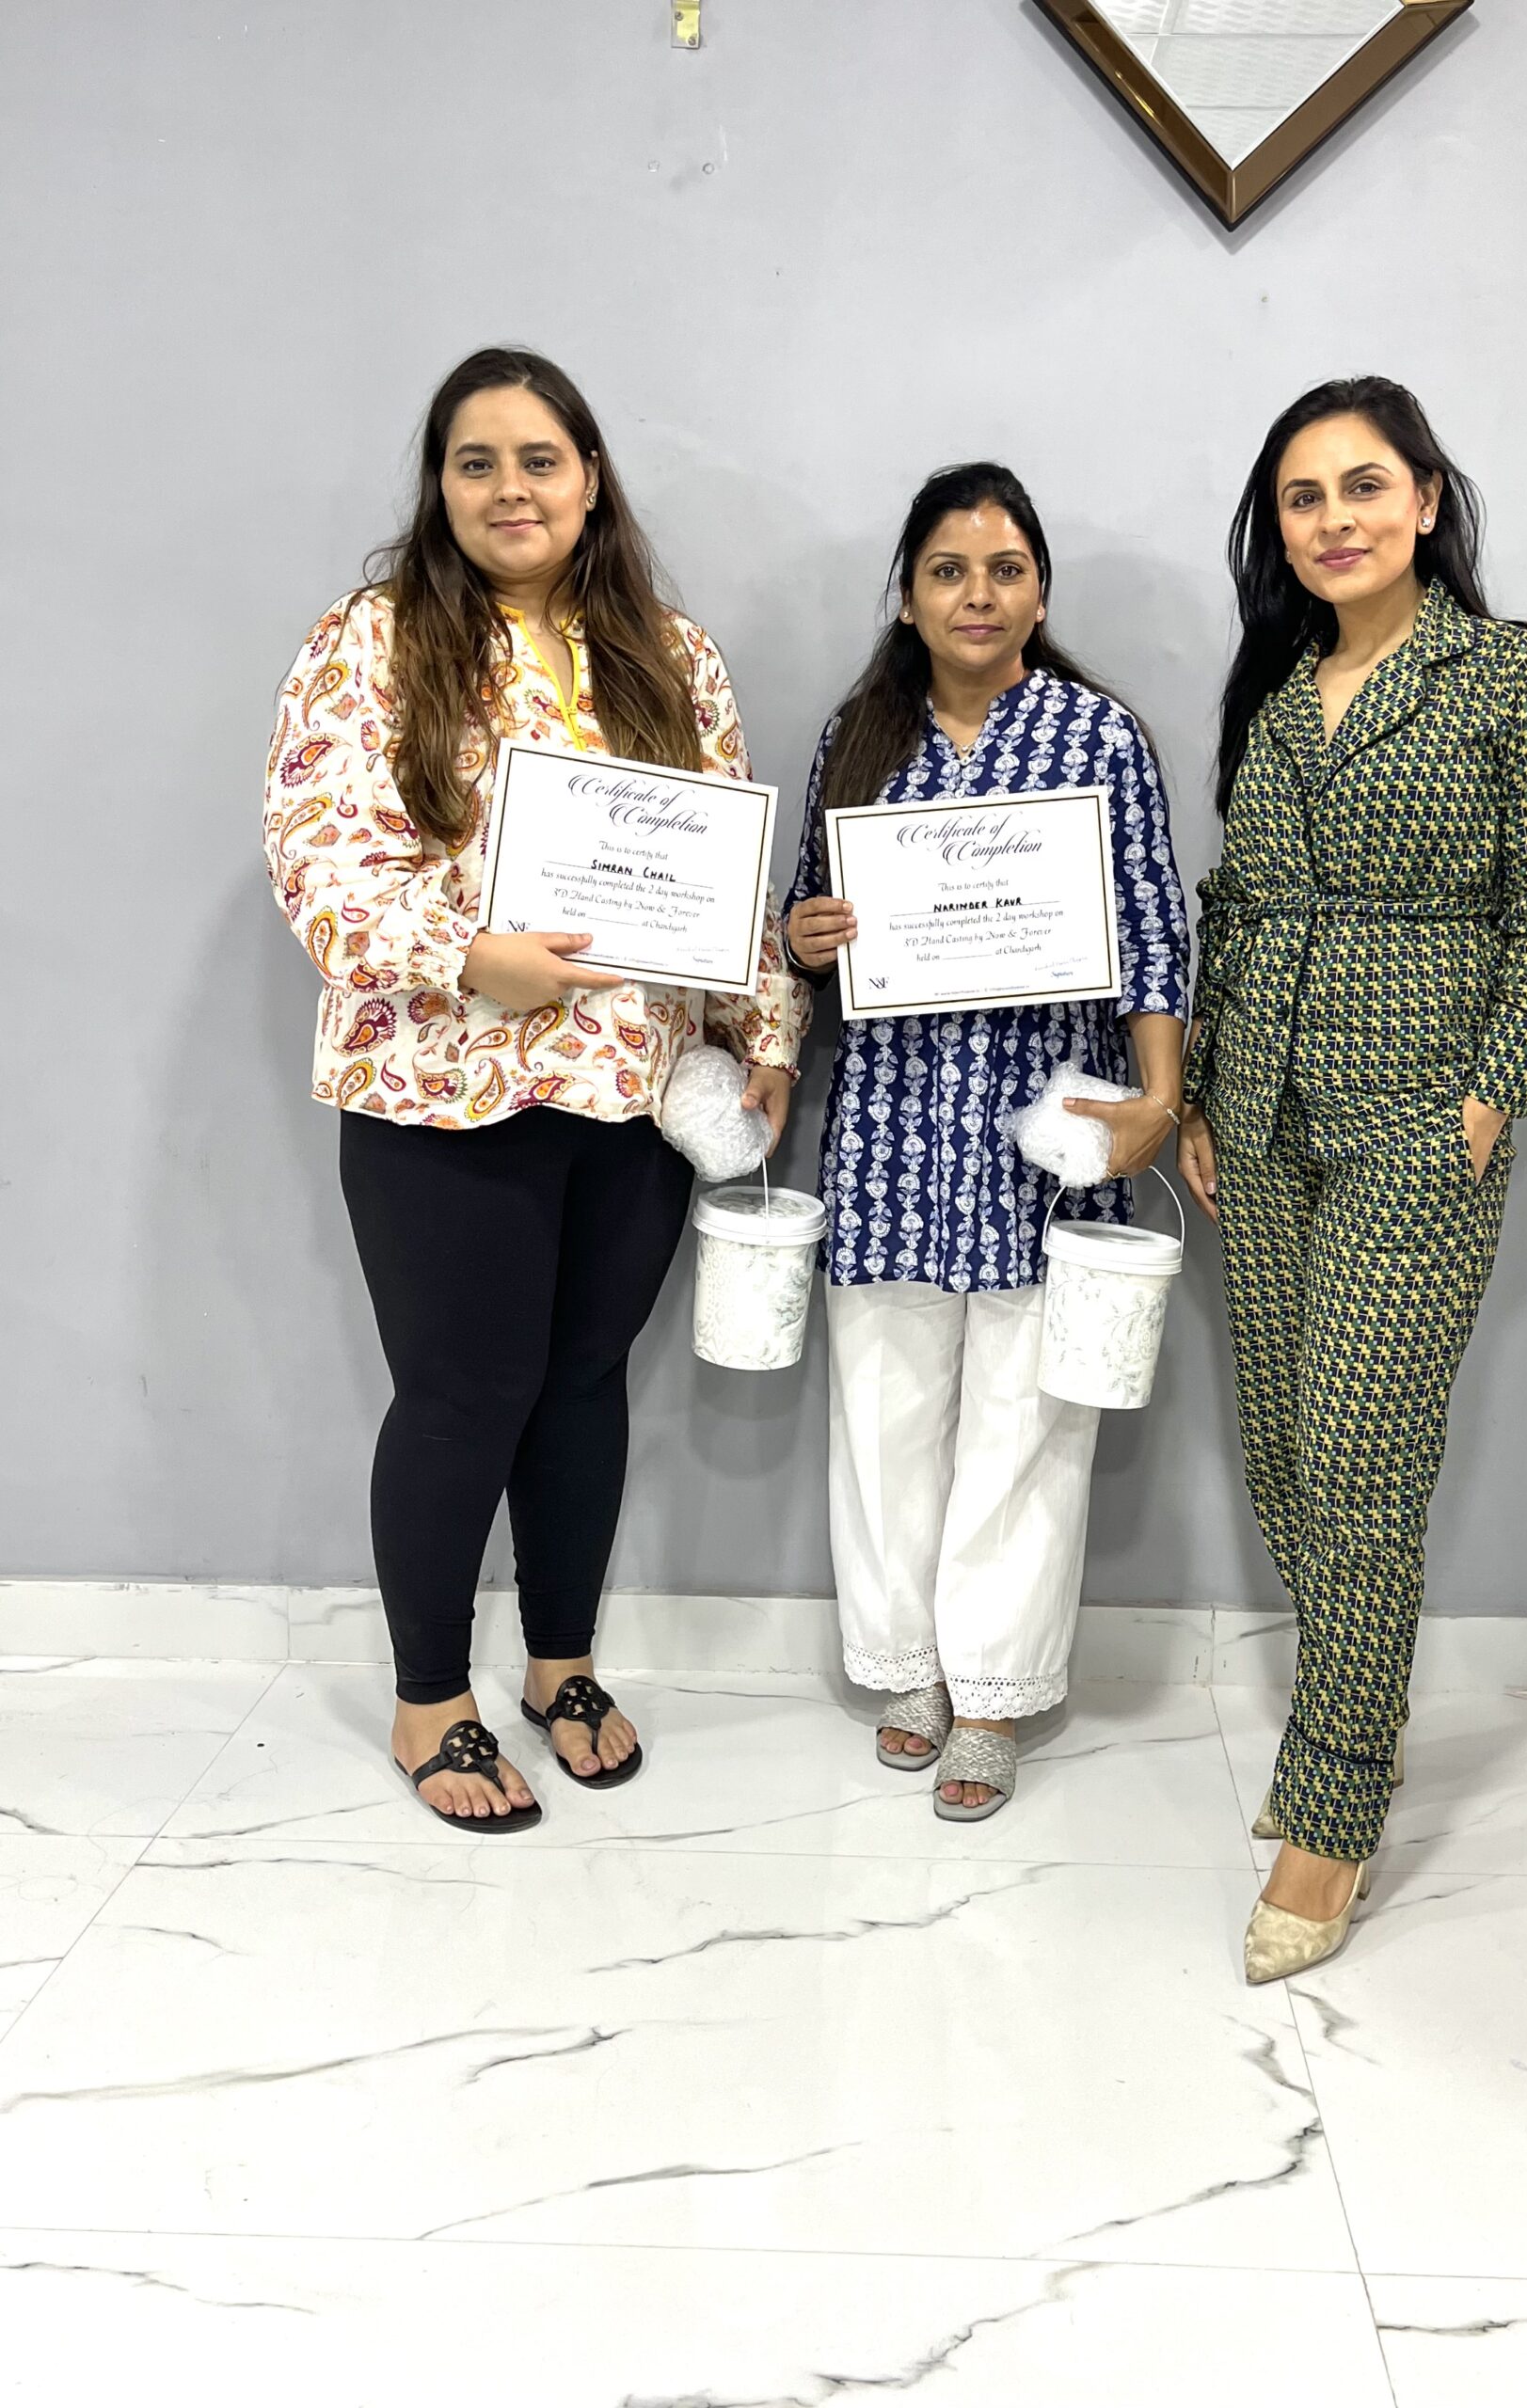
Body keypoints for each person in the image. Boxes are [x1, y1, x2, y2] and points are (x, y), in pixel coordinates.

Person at [263, 347, 804, 1829]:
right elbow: (318, 859)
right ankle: (429, 1699)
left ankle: (561, 1663)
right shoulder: (373, 638)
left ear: (590, 479)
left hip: (630, 1091)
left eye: (540, 459)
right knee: (464, 1394)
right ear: (440, 486)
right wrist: (463, 957)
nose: (512, 488)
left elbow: (722, 865)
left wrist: (765, 1027)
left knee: (579, 1388)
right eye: (477, 461)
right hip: (443, 1088)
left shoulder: (669, 654)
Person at [1176, 377, 1527, 1978]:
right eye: (1303, 496)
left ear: (1426, 499)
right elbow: (1240, 900)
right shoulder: (1279, 687)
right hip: (1260, 1118)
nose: (1334, 519)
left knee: (1361, 1464)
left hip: (1418, 1124)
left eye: (1364, 486)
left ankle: (1334, 1810)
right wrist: (1201, 1085)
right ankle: (1364, 1711)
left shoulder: (1512, 676)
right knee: (1284, 1459)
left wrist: (1485, 1105)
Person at [784, 463, 1191, 1819]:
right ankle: (905, 1668)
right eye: (949, 571)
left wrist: (1157, 1101)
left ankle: (996, 1693)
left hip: (1045, 1130)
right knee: (884, 1414)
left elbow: (1153, 931)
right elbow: (803, 927)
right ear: (907, 596)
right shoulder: (857, 735)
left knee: (1027, 1425)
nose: (978, 594)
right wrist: (807, 938)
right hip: (892, 1130)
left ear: (1040, 591)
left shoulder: (1099, 738)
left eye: (1006, 569)